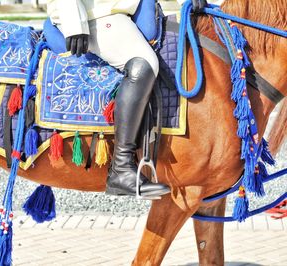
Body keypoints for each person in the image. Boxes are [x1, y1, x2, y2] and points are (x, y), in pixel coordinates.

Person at [46, 0, 207, 198]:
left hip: (126, 10)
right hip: (94, 14)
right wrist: (74, 23)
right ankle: (121, 168)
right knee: (144, 62)